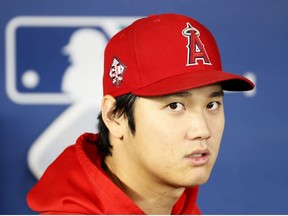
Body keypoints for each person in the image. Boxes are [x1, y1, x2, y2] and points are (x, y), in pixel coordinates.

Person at [27, 13, 254, 214]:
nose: (202, 130)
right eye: (175, 106)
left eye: (212, 104)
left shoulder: (180, 207)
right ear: (114, 116)